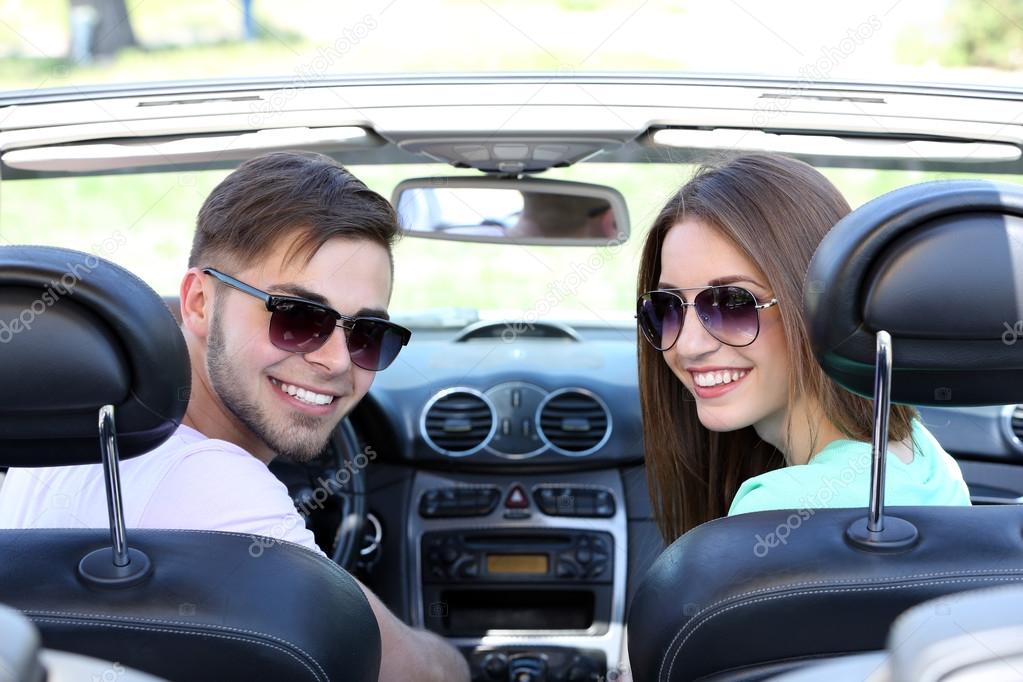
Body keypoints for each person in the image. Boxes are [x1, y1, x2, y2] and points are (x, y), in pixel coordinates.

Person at [0, 151, 470, 682]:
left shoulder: (54, 452)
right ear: (199, 302)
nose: (337, 361)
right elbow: (422, 675)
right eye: (297, 317)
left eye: (368, 334)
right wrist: (463, 659)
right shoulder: (218, 489)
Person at [634, 153, 971, 543]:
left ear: (820, 304)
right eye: (667, 308)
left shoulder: (772, 511)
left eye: (732, 304)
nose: (689, 345)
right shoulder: (921, 456)